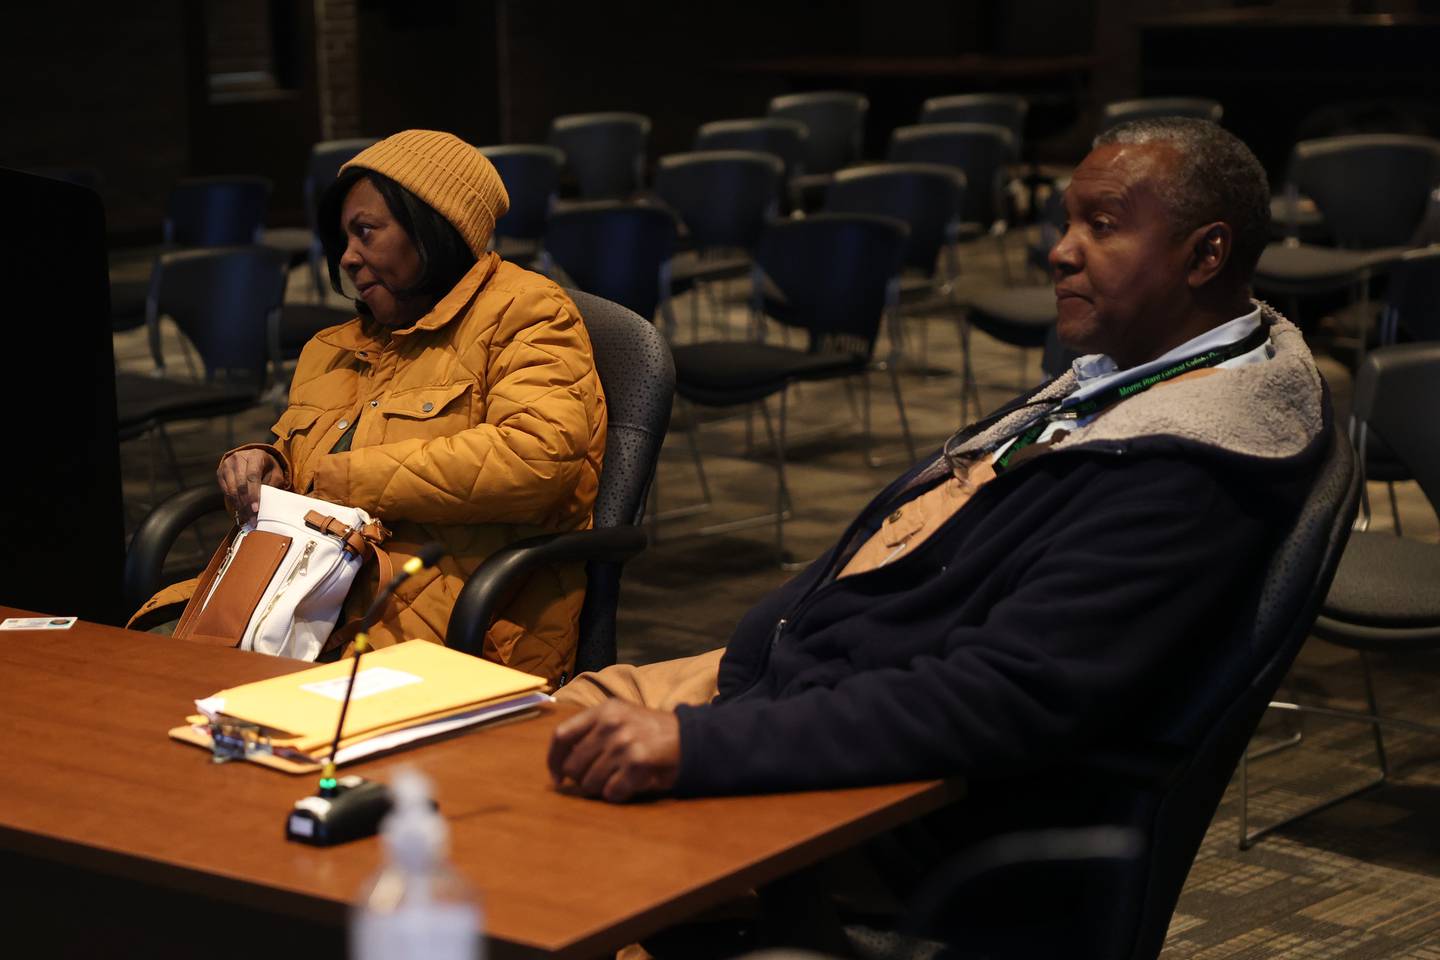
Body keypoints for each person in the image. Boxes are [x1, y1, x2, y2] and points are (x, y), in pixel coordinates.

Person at [546, 117, 1328, 945]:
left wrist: (700, 747)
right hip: (798, 679)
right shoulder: (1130, 377)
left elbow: (1001, 697)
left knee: (535, 864)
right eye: (1066, 222)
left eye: (1101, 227)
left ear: (1206, 256)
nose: (1060, 251)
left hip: (884, 810)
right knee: (518, 750)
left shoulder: (1186, 468)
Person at [132, 131, 607, 684]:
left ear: (433, 229)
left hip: (450, 617)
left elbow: (536, 461)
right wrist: (266, 462)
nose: (349, 258)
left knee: (219, 697)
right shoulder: (332, 347)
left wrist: (341, 478)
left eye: (366, 233)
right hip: (308, 595)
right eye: (344, 239)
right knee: (143, 663)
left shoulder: (528, 313)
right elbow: (306, 458)